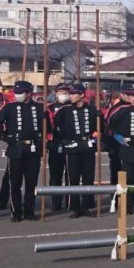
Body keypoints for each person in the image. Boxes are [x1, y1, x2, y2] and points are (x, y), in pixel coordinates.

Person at [0, 81, 47, 222]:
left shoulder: (40, 108)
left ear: (29, 93)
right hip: (15, 149)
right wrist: (4, 136)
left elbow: (48, 129)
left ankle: (29, 211)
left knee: (31, 184)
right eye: (16, 92)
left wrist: (44, 135)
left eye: (20, 92)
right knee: (14, 183)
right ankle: (16, 212)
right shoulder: (9, 107)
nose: (17, 95)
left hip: (33, 149)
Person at [54, 83, 101, 218]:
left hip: (87, 146)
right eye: (71, 93)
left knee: (88, 177)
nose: (71, 96)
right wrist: (62, 140)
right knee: (73, 178)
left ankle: (86, 206)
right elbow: (55, 126)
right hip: (72, 148)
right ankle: (74, 207)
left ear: (82, 95)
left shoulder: (92, 110)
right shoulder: (64, 110)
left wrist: (100, 118)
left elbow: (100, 128)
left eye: (74, 94)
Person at [46, 83, 71, 211]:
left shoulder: (73, 106)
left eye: (66, 91)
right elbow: (46, 128)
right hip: (56, 144)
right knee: (55, 175)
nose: (64, 94)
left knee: (71, 175)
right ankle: (56, 202)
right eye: (61, 92)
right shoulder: (50, 108)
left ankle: (70, 201)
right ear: (56, 93)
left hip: (71, 144)